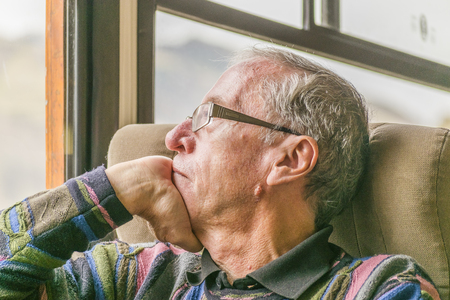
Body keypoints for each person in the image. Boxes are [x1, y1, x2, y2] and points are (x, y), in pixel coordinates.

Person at [0, 46, 440, 299]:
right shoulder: (136, 275)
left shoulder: (378, 288)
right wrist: (114, 187)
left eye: (206, 117)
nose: (175, 138)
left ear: (289, 160)